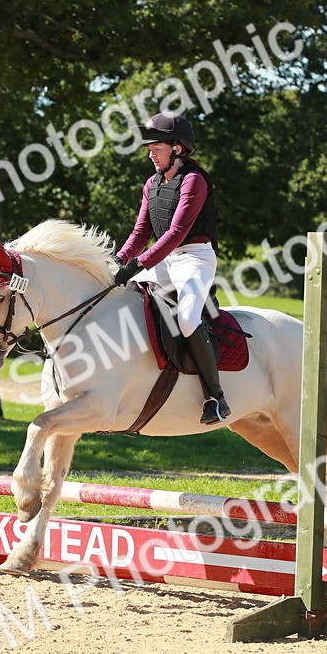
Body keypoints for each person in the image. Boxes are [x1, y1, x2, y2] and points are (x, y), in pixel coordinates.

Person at [113, 112, 229, 425]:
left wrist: (139, 264)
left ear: (177, 148)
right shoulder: (151, 183)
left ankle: (216, 397)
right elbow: (141, 232)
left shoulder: (194, 180)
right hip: (162, 258)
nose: (150, 153)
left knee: (189, 318)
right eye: (149, 148)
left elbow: (176, 233)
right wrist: (120, 260)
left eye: (157, 147)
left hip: (194, 257)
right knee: (124, 296)